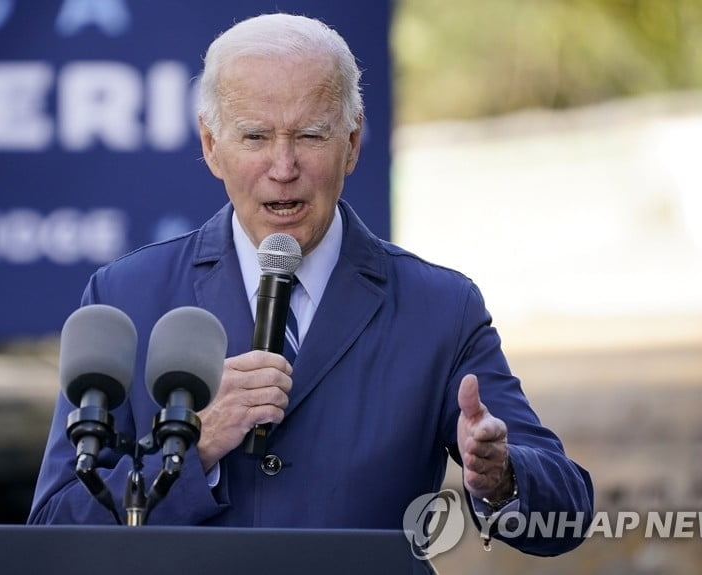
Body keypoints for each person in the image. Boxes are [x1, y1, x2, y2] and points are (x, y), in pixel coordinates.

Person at [29, 12, 593, 558]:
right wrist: (193, 447)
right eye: (254, 136)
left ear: (351, 143)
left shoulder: (440, 308)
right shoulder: (128, 296)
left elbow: (566, 516)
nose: (283, 166)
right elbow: (55, 528)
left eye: (309, 135)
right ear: (210, 145)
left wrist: (503, 478)